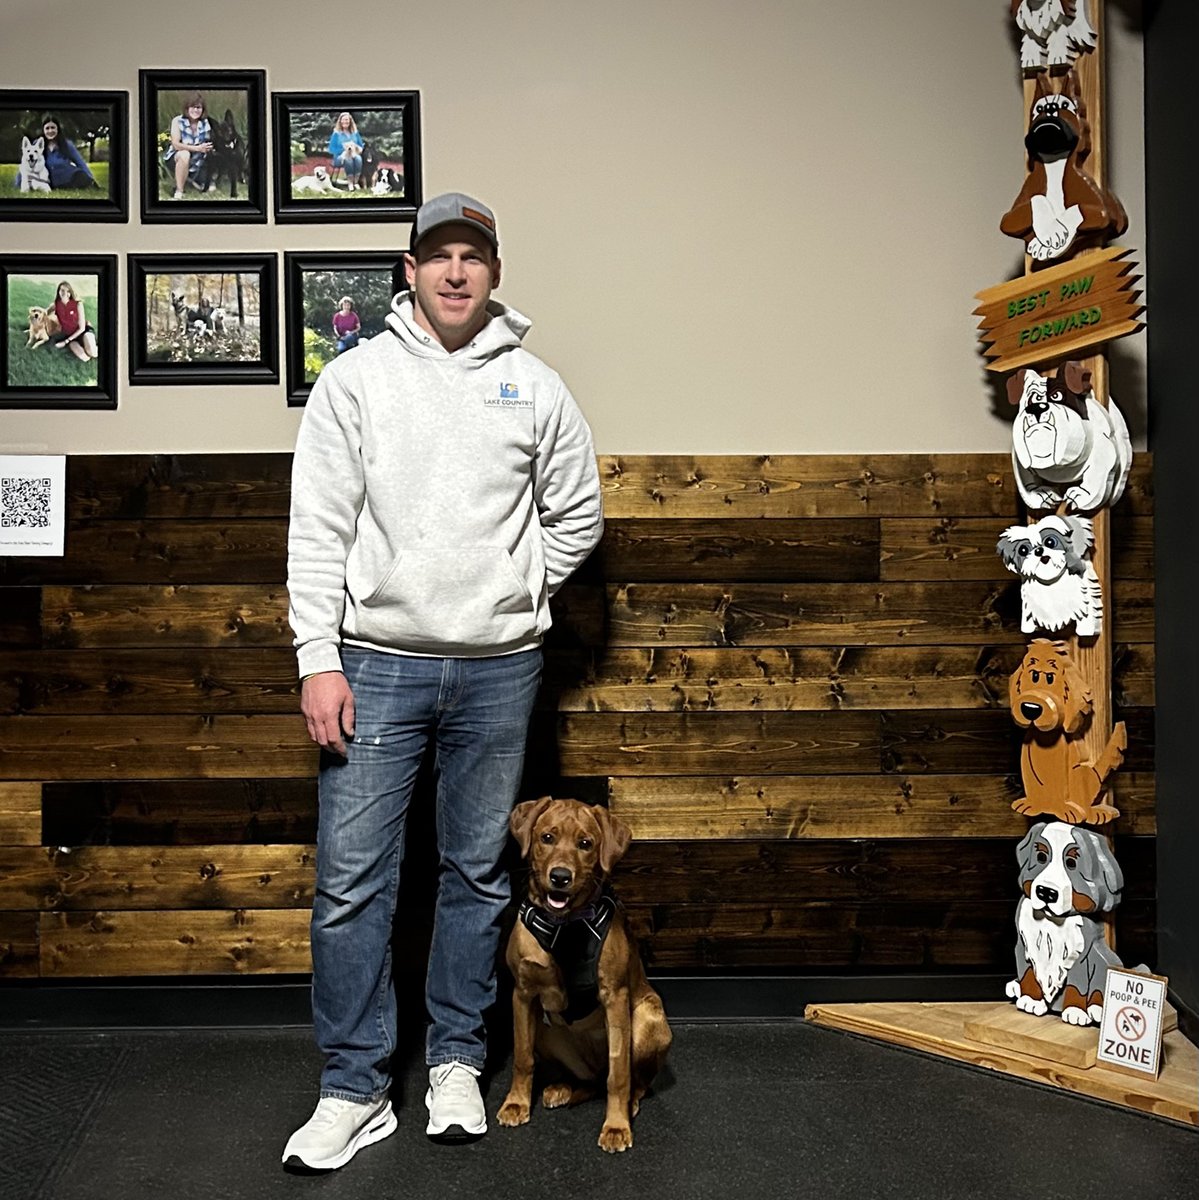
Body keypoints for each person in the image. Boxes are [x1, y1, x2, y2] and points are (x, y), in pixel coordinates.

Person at [282, 192, 603, 1171]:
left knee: (471, 876)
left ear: (493, 272)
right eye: (437, 255)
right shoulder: (356, 382)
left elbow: (577, 514)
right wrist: (317, 658)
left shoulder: (534, 388)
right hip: (374, 666)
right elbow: (316, 532)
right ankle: (354, 1088)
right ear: (409, 270)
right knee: (350, 885)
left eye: (472, 255)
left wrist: (515, 592)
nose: (455, 271)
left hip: (499, 670)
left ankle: (457, 1065)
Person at [164, 92, 213, 200]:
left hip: (199, 161)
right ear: (187, 108)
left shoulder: (207, 122)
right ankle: (179, 190)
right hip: (177, 157)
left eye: (198, 107)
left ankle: (195, 179)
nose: (195, 110)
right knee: (184, 154)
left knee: (209, 187)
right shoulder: (177, 121)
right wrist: (197, 148)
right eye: (192, 107)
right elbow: (176, 145)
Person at [39, 116, 99, 189]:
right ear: (43, 130)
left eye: (53, 128)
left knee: (83, 179)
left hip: (69, 178)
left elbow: (80, 161)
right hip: (49, 181)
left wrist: (90, 178)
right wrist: (21, 181)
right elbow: (27, 161)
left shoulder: (67, 144)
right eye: (47, 128)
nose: (50, 131)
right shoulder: (38, 144)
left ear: (58, 129)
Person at [50, 280, 99, 363]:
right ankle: (86, 345)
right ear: (58, 291)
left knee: (93, 353)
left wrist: (65, 342)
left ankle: (92, 343)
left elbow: (82, 328)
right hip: (71, 336)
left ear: (71, 293)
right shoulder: (56, 304)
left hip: (83, 331)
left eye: (68, 291)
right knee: (85, 358)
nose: (65, 293)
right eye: (62, 290)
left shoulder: (78, 304)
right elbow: (43, 314)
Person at [327, 111, 364, 189]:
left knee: (358, 159)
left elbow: (361, 146)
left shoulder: (355, 133)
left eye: (347, 120)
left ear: (350, 121)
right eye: (343, 120)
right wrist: (343, 149)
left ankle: (356, 182)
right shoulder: (336, 133)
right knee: (348, 159)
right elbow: (331, 149)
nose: (345, 122)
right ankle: (350, 183)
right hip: (340, 157)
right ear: (340, 121)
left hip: (354, 154)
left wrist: (356, 146)